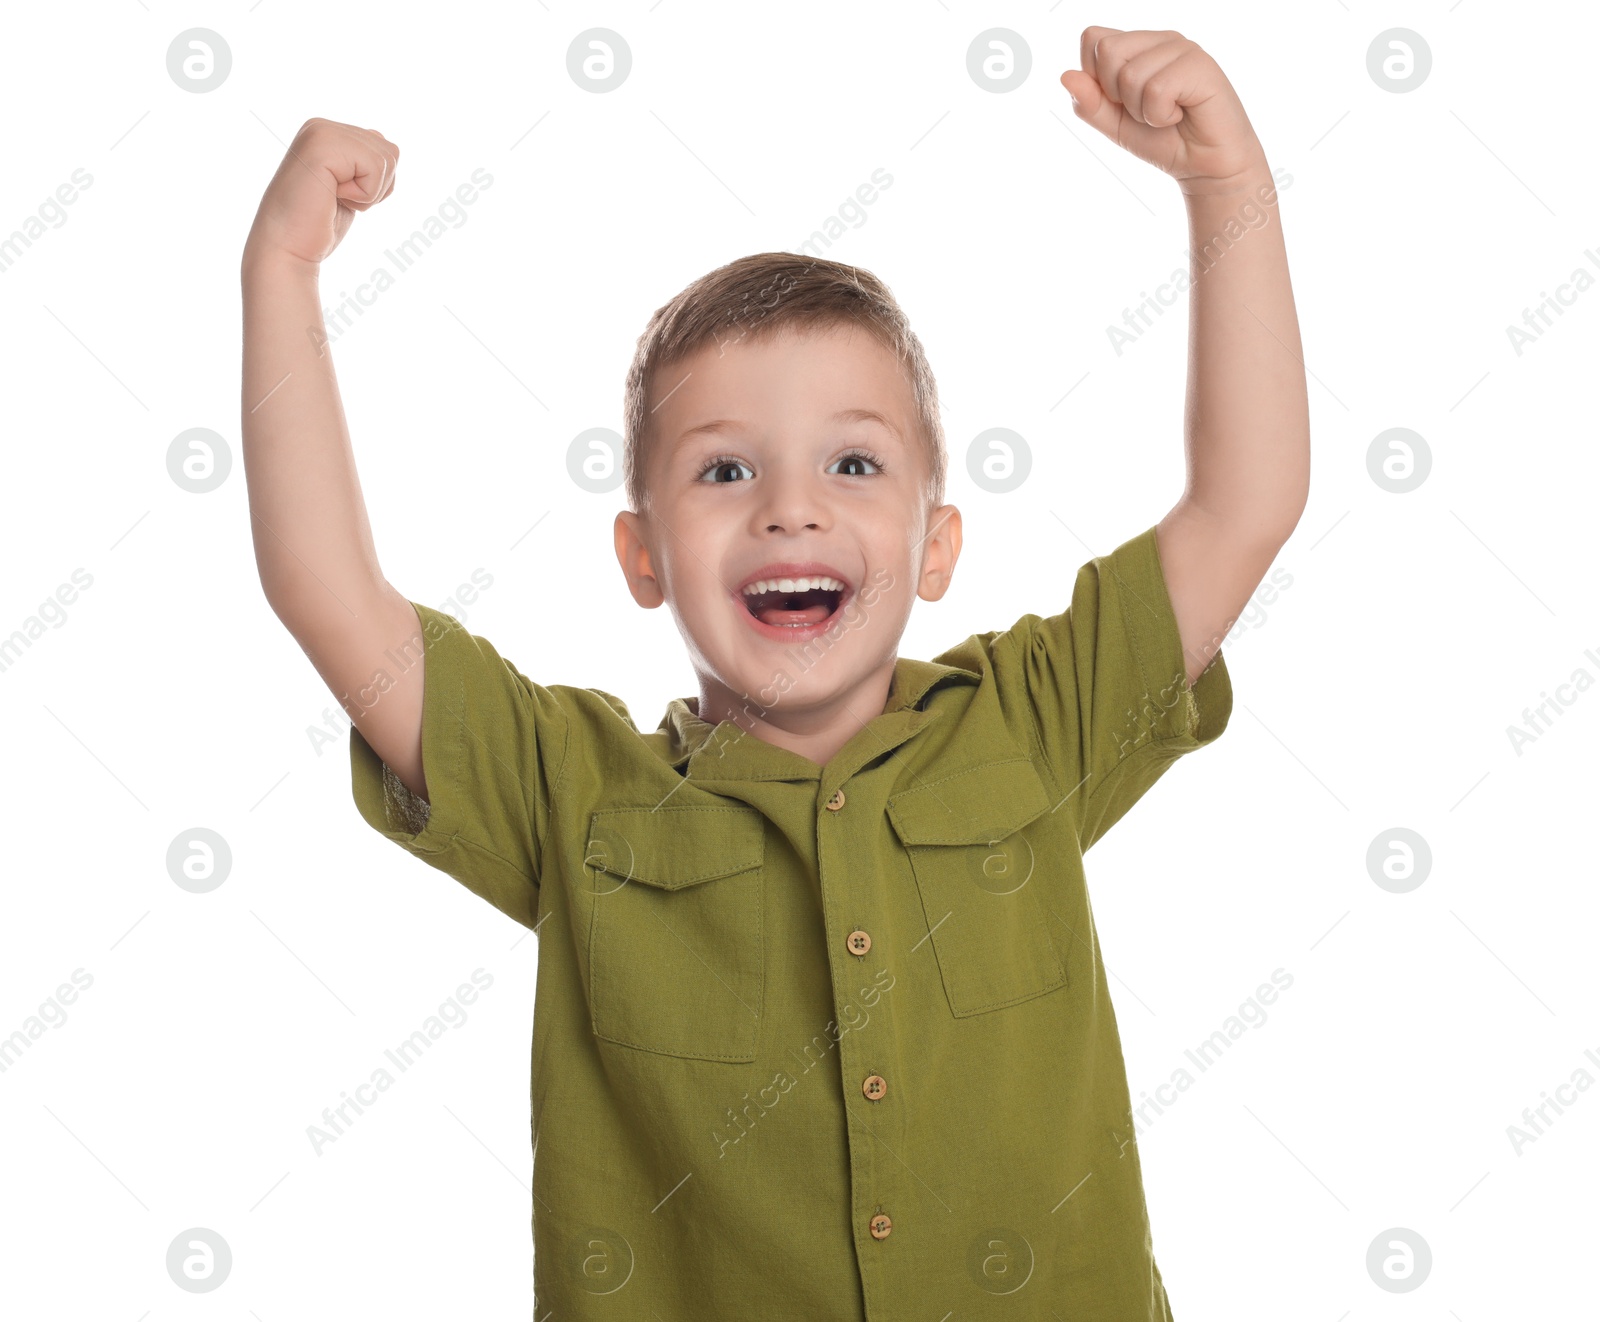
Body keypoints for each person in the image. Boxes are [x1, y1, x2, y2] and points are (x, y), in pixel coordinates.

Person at [240, 25, 1308, 1319]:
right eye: (725, 469)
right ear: (644, 553)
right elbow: (327, 594)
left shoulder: (1037, 720)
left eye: (852, 463)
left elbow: (1246, 503)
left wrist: (1227, 185)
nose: (790, 509)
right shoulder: (572, 793)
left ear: (936, 545)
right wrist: (282, 270)